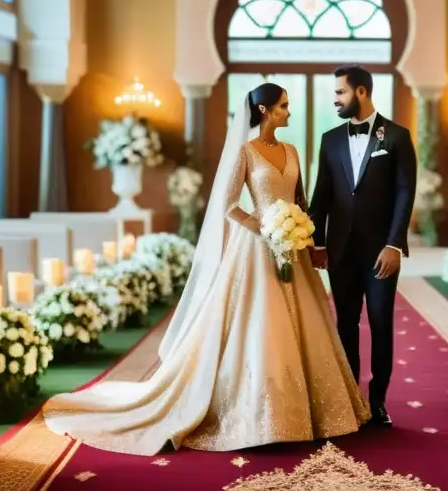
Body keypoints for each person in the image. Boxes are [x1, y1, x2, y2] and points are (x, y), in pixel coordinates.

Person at [43, 83, 368, 454]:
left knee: (305, 325)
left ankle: (313, 411)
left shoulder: (292, 151)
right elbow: (228, 206)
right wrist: (265, 229)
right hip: (257, 248)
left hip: (292, 248)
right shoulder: (245, 152)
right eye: (284, 106)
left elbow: (300, 200)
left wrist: (305, 239)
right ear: (264, 111)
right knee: (262, 325)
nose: (289, 112)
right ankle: (263, 415)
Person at [309, 64, 417, 427]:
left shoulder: (398, 137)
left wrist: (394, 245)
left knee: (381, 323)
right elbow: (320, 196)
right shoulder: (330, 139)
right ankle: (350, 400)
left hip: (381, 254)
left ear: (361, 93)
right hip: (341, 252)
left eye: (340, 92)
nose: (335, 99)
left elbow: (405, 194)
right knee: (345, 326)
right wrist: (318, 244)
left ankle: (379, 402)